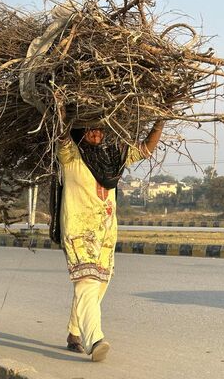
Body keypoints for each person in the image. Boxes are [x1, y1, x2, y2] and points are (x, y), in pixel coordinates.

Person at [52, 112, 164, 362]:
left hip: (105, 233)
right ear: (80, 131)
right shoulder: (71, 157)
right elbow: (61, 137)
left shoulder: (113, 157)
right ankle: (95, 339)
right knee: (87, 284)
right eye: (90, 129)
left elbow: (145, 149)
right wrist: (59, 112)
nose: (96, 134)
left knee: (98, 284)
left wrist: (160, 119)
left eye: (100, 129)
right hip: (79, 233)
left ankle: (73, 332)